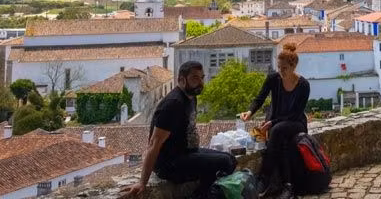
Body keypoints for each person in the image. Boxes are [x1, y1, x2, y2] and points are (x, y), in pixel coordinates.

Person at [123, 61, 236, 198]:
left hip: (187, 153)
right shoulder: (173, 104)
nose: (201, 83)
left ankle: (201, 194)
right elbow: (154, 144)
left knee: (231, 159)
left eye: (202, 78)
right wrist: (142, 182)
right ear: (182, 80)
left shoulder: (191, 97)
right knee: (225, 162)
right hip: (169, 163)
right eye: (195, 78)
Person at [241, 43, 310, 199]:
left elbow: (295, 113)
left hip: (295, 122)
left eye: (284, 68)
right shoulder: (273, 79)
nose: (281, 71)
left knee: (277, 130)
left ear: (293, 66)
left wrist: (272, 123)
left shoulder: (303, 85)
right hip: (276, 122)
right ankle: (288, 186)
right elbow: (260, 98)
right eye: (279, 67)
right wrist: (250, 112)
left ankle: (264, 178)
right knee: (282, 140)